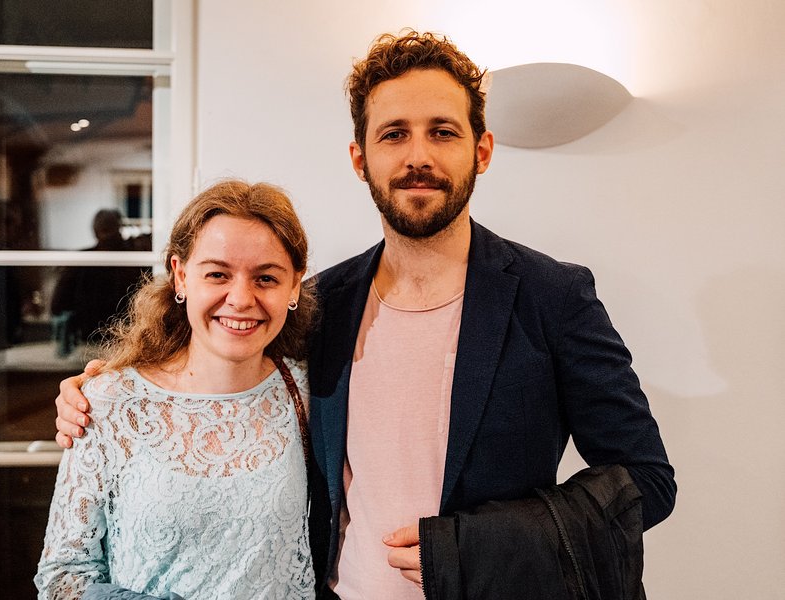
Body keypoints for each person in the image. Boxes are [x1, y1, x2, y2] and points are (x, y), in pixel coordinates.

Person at [56, 31, 676, 599]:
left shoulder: (553, 296)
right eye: (394, 133)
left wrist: (476, 545)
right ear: (360, 159)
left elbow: (646, 480)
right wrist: (113, 389)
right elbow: (227, 371)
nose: (418, 156)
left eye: (443, 131)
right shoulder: (326, 302)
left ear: (481, 150)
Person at [35, 180, 316, 599]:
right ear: (181, 275)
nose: (240, 298)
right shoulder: (109, 403)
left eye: (266, 278)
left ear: (294, 285)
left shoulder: (315, 394)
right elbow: (62, 577)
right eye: (217, 274)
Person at [50, 208, 151, 354]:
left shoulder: (135, 256)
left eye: (108, 230)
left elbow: (58, 304)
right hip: (98, 341)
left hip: (127, 341)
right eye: (105, 230)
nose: (108, 237)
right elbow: (58, 303)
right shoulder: (133, 257)